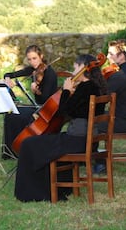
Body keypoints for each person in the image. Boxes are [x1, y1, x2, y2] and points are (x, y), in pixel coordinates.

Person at [14, 54, 108, 202]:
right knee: (43, 141)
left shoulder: (85, 88)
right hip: (89, 140)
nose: (73, 71)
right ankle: (61, 186)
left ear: (83, 69)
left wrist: (65, 91)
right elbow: (77, 112)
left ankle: (36, 191)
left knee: (28, 144)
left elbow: (65, 111)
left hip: (77, 141)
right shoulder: (97, 87)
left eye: (75, 67)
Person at [94, 39, 126, 173]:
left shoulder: (120, 76)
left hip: (121, 122)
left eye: (111, 54)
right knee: (97, 117)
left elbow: (102, 98)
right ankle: (95, 157)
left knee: (91, 122)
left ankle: (98, 161)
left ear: (121, 56)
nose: (108, 57)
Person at [2, 45, 58, 158]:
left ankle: (21, 149)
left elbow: (45, 99)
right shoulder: (34, 70)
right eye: (29, 59)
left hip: (46, 110)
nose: (32, 62)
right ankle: (10, 151)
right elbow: (10, 74)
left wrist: (36, 91)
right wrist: (8, 79)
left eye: (34, 58)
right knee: (11, 114)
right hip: (37, 107)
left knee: (19, 115)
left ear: (41, 56)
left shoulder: (49, 73)